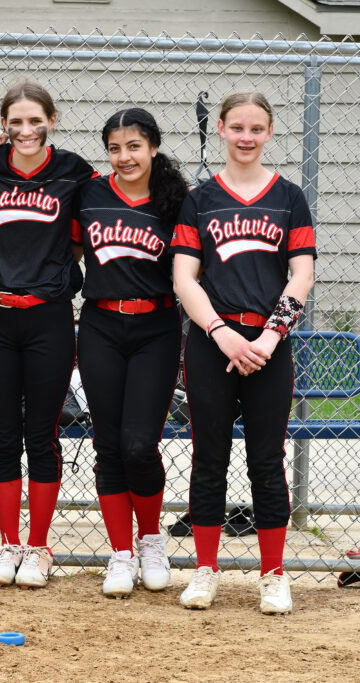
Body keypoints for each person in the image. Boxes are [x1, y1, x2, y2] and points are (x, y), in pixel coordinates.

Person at [171, 91, 316, 614]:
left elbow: (302, 274)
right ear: (225, 131)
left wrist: (270, 337)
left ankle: (273, 574)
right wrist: (220, 332)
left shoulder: (289, 197)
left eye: (257, 128)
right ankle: (205, 571)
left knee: (266, 461)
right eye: (237, 128)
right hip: (215, 343)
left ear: (269, 133)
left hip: (269, 345)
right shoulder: (201, 199)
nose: (247, 137)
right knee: (208, 457)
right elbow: (184, 276)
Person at [0, 79, 97, 589]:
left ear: (52, 121)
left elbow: (117, 198)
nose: (25, 130)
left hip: (49, 318)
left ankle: (38, 547)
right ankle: (8, 543)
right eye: (15, 121)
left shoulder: (73, 170)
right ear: (4, 123)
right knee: (0, 436)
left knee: (42, 434)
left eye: (36, 120)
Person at [73, 108, 186, 597]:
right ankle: (120, 553)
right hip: (99, 323)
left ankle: (152, 540)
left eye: (134, 146)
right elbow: (69, 251)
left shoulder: (178, 201)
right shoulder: (92, 193)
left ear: (153, 147)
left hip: (157, 327)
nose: (124, 157)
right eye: (115, 148)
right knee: (108, 444)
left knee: (141, 444)